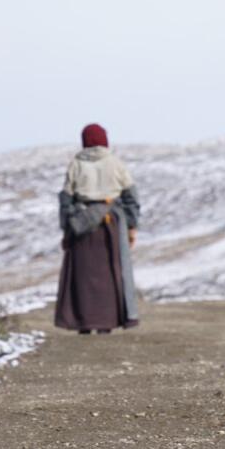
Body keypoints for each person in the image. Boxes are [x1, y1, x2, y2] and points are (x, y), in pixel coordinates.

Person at [55, 123, 140, 334]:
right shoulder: (115, 163)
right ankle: (106, 322)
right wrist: (131, 227)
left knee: (82, 276)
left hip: (82, 226)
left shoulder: (76, 164)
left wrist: (67, 228)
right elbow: (131, 196)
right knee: (109, 274)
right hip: (110, 226)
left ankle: (83, 322)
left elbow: (66, 199)